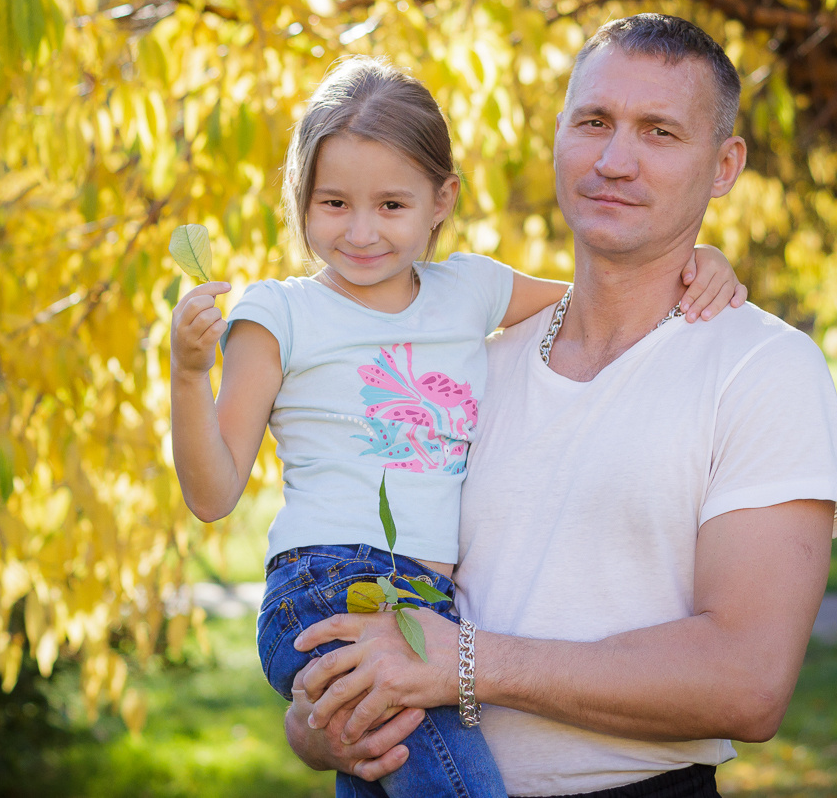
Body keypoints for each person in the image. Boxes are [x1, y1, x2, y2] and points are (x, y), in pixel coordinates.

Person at [285, 15, 837, 798]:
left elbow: (748, 678)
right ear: (559, 133)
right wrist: (321, 720)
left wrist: (459, 663)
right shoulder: (472, 364)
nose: (614, 160)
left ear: (724, 164)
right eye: (593, 122)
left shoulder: (764, 368)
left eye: (660, 132)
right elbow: (370, 592)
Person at [169, 54, 747, 798]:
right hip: (332, 587)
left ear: (442, 198)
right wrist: (189, 376)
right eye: (333, 203)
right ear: (301, 198)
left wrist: (700, 260)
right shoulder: (279, 315)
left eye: (392, 205)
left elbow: (610, 292)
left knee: (384, 776)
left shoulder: (471, 289)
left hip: (429, 605)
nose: (361, 231)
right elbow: (213, 491)